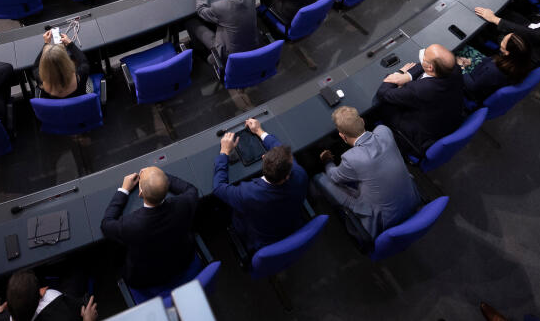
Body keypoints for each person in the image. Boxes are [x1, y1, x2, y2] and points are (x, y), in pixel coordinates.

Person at [312, 106, 421, 245]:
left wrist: (327, 161)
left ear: (342, 136)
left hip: (383, 221)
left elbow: (335, 176)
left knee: (319, 178)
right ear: (362, 121)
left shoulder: (351, 158)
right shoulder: (384, 131)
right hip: (412, 200)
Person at [213, 116, 308, 252]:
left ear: (264, 158)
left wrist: (224, 152)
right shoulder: (299, 174)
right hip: (291, 224)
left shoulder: (248, 193)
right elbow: (279, 149)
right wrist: (260, 131)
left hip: (264, 241)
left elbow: (218, 187)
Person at [100, 167, 199, 290]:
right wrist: (159, 177)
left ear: (140, 193)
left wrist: (123, 190)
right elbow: (191, 189)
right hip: (183, 262)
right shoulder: (184, 204)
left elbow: (106, 224)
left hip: (147, 279)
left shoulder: (130, 225)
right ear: (167, 186)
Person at [374, 43, 466, 155]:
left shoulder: (420, 89)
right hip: (444, 120)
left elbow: (383, 93)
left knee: (379, 106)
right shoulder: (453, 69)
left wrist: (399, 72)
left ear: (431, 67)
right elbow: (423, 66)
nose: (422, 52)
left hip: (417, 135)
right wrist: (408, 76)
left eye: (425, 54)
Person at [186, 0, 258, 65]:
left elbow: (201, 10)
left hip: (228, 53)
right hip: (252, 44)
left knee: (191, 22)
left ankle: (202, 52)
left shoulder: (220, 7)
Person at [457, 32, 535, 103]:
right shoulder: (518, 60)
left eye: (504, 41)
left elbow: (472, 87)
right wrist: (471, 61)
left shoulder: (494, 71)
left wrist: (461, 67)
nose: (502, 40)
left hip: (471, 85)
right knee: (463, 47)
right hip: (482, 72)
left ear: (507, 52)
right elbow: (491, 59)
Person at [34, 30, 92, 99]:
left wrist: (46, 44)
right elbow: (84, 62)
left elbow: (35, 67)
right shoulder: (81, 75)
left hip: (56, 109)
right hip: (82, 107)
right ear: (67, 61)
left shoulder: (41, 81)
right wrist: (70, 44)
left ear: (43, 66)